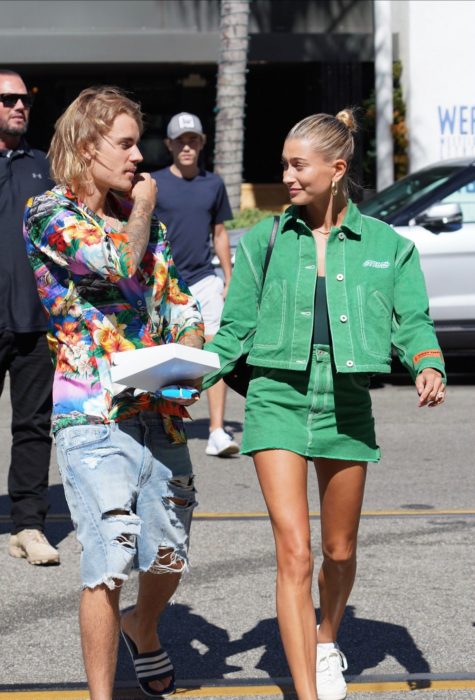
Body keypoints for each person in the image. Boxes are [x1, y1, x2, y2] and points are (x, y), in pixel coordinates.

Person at [203, 110, 446, 700]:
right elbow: (235, 327)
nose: (285, 175)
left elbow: (411, 319)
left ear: (336, 170)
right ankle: (307, 692)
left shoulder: (388, 247)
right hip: (276, 400)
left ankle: (326, 637)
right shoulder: (261, 240)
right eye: (284, 164)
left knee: (339, 551)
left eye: (297, 165)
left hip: (345, 405)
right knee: (295, 550)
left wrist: (427, 360)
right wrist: (195, 369)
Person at [23, 86, 204, 700]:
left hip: (161, 408)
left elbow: (175, 298)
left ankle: (143, 626)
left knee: (170, 555)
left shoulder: (138, 219)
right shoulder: (48, 212)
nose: (138, 159)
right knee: (108, 559)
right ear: (84, 145)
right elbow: (117, 263)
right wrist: (144, 210)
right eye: (125, 145)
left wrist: (191, 351)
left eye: (137, 144)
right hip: (92, 412)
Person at [151, 112, 239, 457]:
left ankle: (216, 430)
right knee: (166, 354)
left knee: (214, 354)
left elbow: (219, 232)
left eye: (193, 140)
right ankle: (163, 424)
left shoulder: (213, 184)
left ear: (201, 144)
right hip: (166, 282)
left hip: (205, 279)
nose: (187, 147)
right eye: (180, 141)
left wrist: (229, 279)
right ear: (170, 145)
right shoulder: (153, 183)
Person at [0, 68, 58, 565]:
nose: (19, 107)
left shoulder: (43, 166)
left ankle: (28, 525)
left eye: (24, 100)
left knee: (34, 425)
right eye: (7, 99)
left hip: (35, 323)